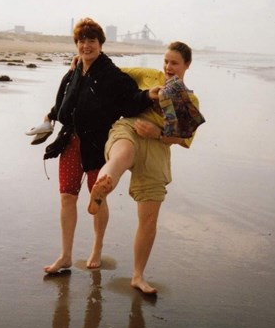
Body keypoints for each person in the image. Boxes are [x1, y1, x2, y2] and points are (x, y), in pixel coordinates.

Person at [42, 17, 159, 273]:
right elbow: (62, 100)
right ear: (76, 44)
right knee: (66, 197)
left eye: (92, 40)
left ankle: (97, 248)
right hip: (71, 142)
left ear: (101, 44)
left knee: (98, 199)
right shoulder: (74, 71)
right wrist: (50, 117)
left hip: (97, 144)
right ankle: (65, 255)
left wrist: (149, 96)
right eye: (81, 41)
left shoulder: (110, 74)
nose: (86, 45)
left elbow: (130, 98)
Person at [87, 41, 204, 294]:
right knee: (122, 154)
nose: (168, 67)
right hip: (130, 127)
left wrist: (158, 132)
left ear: (187, 65)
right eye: (166, 61)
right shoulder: (148, 76)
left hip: (158, 146)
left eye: (174, 63)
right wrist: (82, 61)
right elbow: (110, 71)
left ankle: (138, 276)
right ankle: (103, 186)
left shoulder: (190, 99)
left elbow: (183, 139)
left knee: (149, 218)